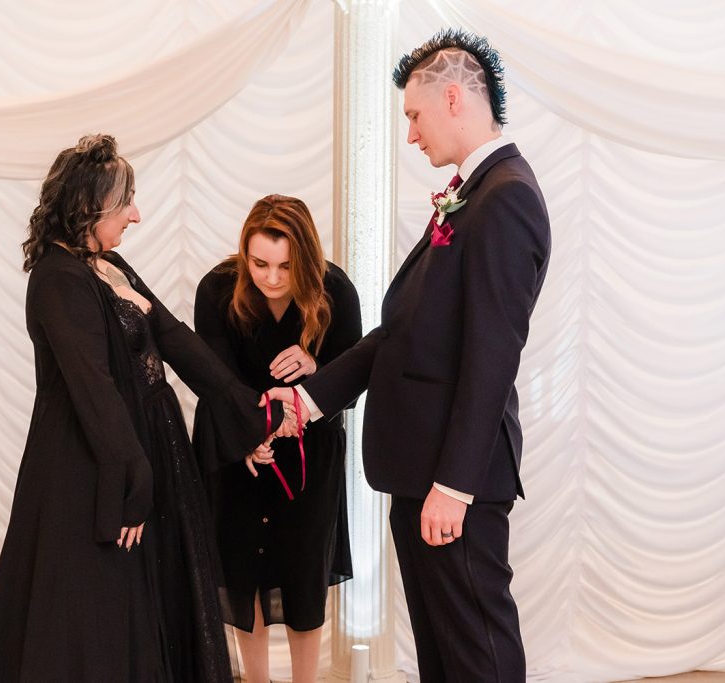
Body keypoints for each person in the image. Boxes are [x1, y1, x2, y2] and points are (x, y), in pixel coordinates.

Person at [268, 29, 551, 681]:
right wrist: (311, 397)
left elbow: (491, 356)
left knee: (477, 649)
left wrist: (454, 485)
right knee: (445, 652)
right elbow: (403, 331)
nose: (411, 134)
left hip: (455, 479)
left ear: (453, 98)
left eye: (414, 116)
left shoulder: (504, 197)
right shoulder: (472, 192)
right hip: (422, 471)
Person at [0, 134, 285, 682]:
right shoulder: (57, 279)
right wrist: (133, 482)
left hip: (145, 448)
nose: (137, 215)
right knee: (99, 610)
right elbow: (93, 389)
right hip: (92, 465)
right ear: (88, 207)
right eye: (125, 203)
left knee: (154, 602)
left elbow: (178, 341)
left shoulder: (107, 264)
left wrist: (254, 413)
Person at [192, 195, 361, 683]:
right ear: (244, 253)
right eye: (259, 263)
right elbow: (215, 381)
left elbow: (354, 380)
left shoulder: (336, 292)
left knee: (304, 576)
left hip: (311, 458)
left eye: (285, 266)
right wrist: (248, 438)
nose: (270, 277)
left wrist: (317, 370)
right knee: (243, 576)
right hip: (236, 453)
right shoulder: (218, 290)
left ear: (306, 258)